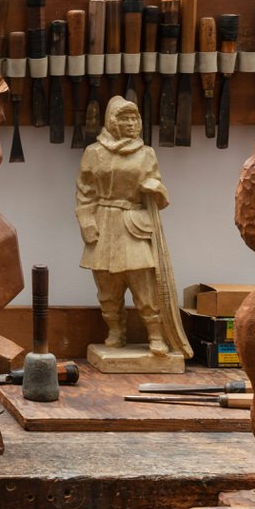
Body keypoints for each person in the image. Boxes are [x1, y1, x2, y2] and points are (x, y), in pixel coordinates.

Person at [74, 96, 190, 357]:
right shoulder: (94, 153)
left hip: (134, 225)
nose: (131, 123)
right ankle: (115, 332)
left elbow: (160, 198)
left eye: (134, 118)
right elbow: (85, 192)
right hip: (104, 224)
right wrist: (87, 222)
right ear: (112, 121)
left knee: (145, 285)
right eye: (124, 118)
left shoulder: (146, 153)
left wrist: (156, 189)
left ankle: (155, 335)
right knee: (107, 287)